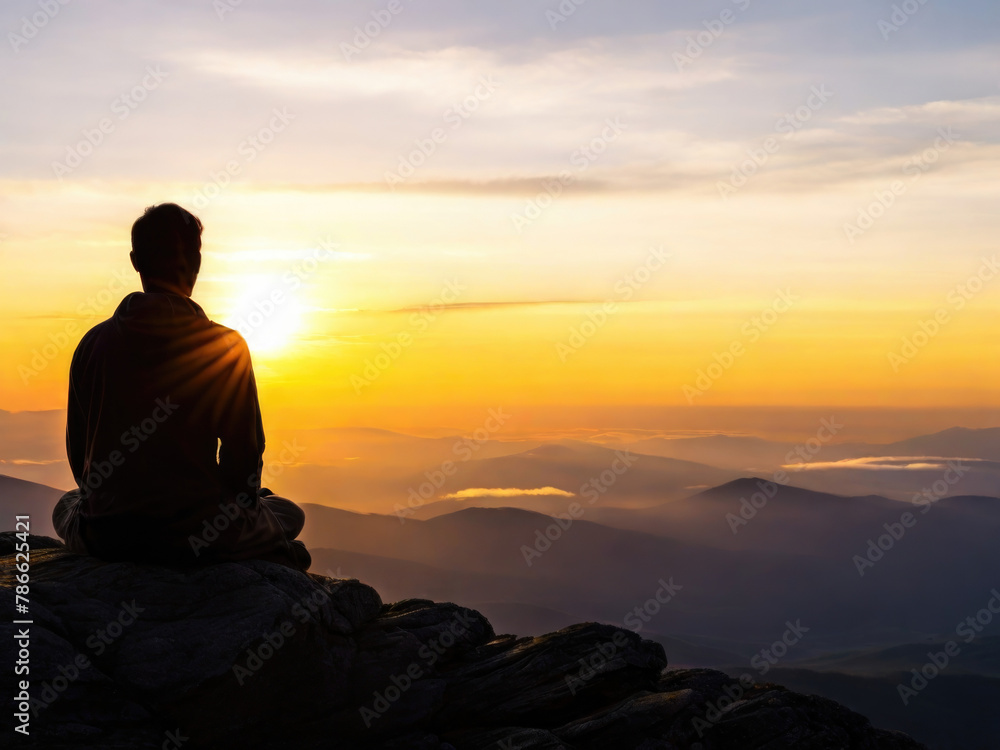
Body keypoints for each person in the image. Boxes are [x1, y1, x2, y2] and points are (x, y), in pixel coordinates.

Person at [52, 203, 311, 571]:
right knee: (288, 513)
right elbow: (245, 454)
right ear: (196, 261)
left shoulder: (92, 344)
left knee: (65, 504)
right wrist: (235, 509)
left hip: (107, 534)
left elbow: (81, 461)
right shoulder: (224, 348)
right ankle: (269, 550)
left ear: (135, 260)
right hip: (198, 534)